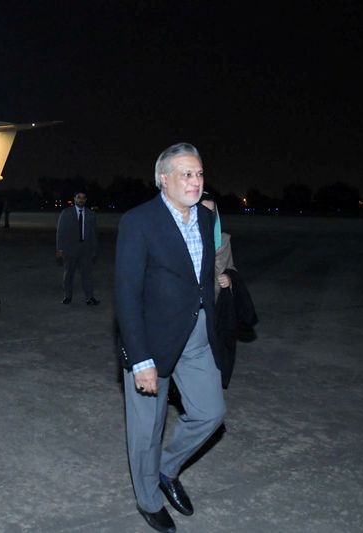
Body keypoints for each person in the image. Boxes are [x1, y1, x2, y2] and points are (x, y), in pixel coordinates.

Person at [115, 143, 231, 533]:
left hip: (196, 335)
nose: (195, 181)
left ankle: (167, 468)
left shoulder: (203, 218)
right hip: (151, 341)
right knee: (147, 429)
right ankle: (148, 499)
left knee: (211, 413)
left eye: (199, 174)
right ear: (163, 178)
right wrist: (139, 358)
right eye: (186, 174)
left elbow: (204, 275)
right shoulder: (139, 221)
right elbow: (127, 294)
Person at [55, 191, 99, 305]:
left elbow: (93, 233)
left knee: (87, 275)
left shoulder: (90, 214)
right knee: (68, 274)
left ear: (86, 200)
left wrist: (94, 249)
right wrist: (60, 249)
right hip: (70, 250)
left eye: (83, 198)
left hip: (85, 249)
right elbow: (61, 232)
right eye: (78, 197)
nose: (81, 200)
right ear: (74, 199)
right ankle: (67, 296)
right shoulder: (66, 213)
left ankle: (89, 297)